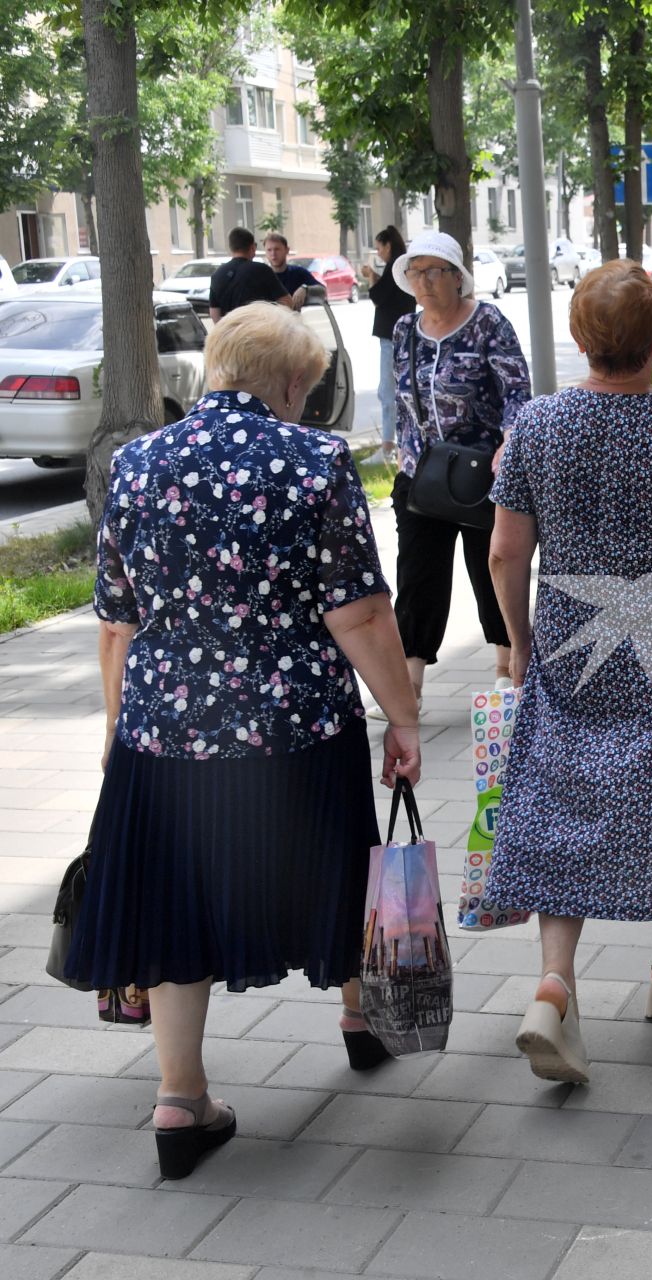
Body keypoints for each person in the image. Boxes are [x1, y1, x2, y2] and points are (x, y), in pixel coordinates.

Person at [68, 302, 422, 1180]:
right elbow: (361, 612)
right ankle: (359, 1018)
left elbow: (117, 620)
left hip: (166, 731)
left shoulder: (138, 462)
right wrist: (402, 716)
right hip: (293, 726)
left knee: (173, 902)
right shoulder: (314, 461)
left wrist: (120, 731)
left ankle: (180, 1100)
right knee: (336, 865)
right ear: (296, 383)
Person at [484, 261, 652, 1082]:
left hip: (567, 637)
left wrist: (519, 642)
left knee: (560, 798)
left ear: (576, 339)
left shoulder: (536, 425)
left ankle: (555, 988)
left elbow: (504, 552)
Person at [389, 229, 530, 703]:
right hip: (421, 474)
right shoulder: (405, 329)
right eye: (416, 271)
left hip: (480, 474)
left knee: (489, 570)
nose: (423, 281)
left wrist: (509, 445)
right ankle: (409, 684)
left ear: (457, 277)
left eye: (434, 271)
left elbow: (516, 391)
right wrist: (401, 447)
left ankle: (507, 673)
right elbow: (402, 398)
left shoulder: (488, 323)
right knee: (417, 577)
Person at [361, 226, 414, 461]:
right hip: (398, 335)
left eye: (379, 247)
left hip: (390, 337)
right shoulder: (401, 267)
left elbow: (377, 297)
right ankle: (394, 444)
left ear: (388, 246)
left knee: (387, 392)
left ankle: (388, 447)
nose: (378, 252)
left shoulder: (394, 267)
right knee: (395, 391)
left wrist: (371, 276)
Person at [209, 227, 294, 321]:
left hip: (231, 332)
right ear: (253, 247)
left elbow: (214, 313)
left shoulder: (217, 275)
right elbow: (286, 303)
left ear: (231, 248)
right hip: (260, 331)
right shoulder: (262, 270)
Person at [264, 232, 320, 300]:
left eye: (277, 249)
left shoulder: (298, 272)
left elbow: (322, 290)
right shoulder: (261, 277)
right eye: (269, 250)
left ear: (287, 250)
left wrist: (306, 288)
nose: (273, 254)